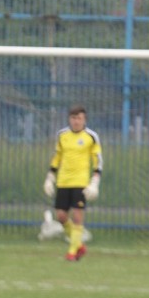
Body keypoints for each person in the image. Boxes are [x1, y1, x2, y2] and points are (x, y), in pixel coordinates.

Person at [43, 105, 102, 261]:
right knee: (61, 216)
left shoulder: (91, 136)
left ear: (85, 120)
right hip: (63, 182)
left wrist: (94, 182)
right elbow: (57, 156)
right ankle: (80, 246)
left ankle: (71, 252)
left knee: (77, 217)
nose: (76, 121)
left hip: (81, 183)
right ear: (69, 119)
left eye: (79, 118)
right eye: (73, 118)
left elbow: (97, 161)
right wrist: (50, 177)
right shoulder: (62, 135)